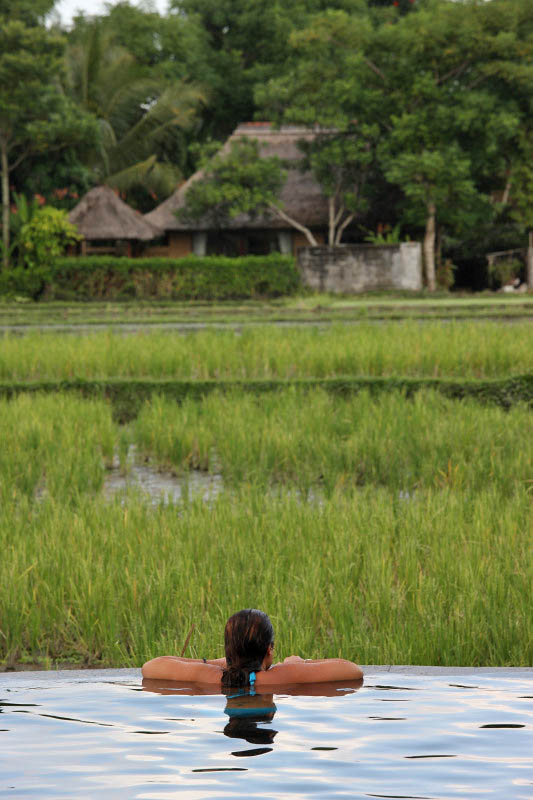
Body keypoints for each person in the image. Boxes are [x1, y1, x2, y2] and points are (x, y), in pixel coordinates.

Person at [141, 608, 363, 686]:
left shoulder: (209, 676)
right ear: (269, 650)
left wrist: (221, 663)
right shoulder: (283, 675)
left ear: (228, 650)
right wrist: (299, 663)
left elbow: (151, 667)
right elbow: (353, 671)